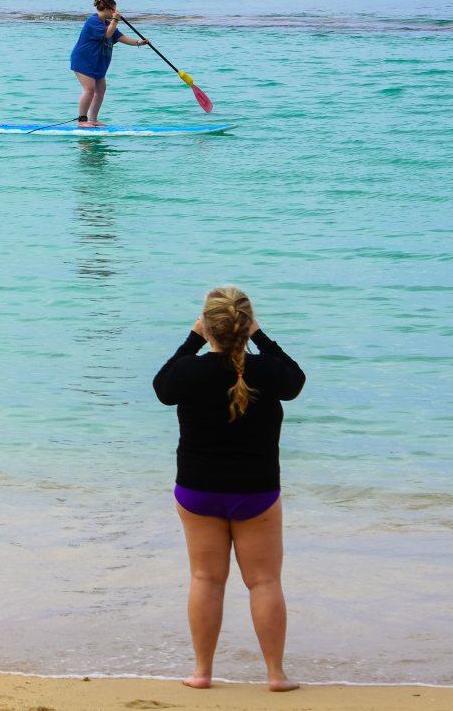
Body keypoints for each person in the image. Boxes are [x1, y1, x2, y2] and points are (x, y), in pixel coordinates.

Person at [152, 287, 305, 693]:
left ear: (208, 326)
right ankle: (276, 675)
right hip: (256, 493)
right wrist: (260, 336)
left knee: (205, 579)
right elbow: (295, 380)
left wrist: (193, 338)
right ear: (245, 325)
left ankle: (202, 673)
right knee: (265, 582)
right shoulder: (267, 371)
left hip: (198, 491)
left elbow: (162, 387)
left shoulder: (190, 370)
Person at [71, 0, 146, 128]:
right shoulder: (93, 21)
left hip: (98, 62)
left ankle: (93, 119)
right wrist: (115, 20)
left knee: (101, 89)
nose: (115, 12)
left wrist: (140, 42)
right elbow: (107, 34)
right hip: (84, 60)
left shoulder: (107, 24)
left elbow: (122, 37)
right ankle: (82, 120)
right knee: (89, 89)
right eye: (113, 10)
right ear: (105, 9)